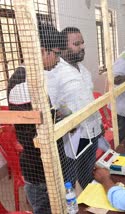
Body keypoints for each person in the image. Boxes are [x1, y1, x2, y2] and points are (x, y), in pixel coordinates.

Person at [7, 24, 63, 214]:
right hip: (38, 168)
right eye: (56, 53)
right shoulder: (23, 82)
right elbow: (33, 132)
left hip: (44, 164)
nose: (57, 60)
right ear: (41, 50)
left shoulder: (33, 78)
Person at [47, 27, 102, 189]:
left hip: (91, 130)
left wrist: (98, 123)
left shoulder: (82, 70)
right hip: (73, 135)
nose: (82, 47)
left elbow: (89, 99)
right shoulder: (55, 72)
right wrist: (69, 117)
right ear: (62, 48)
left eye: (82, 43)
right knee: (70, 177)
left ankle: (90, 202)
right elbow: (53, 105)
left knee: (88, 173)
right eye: (76, 44)